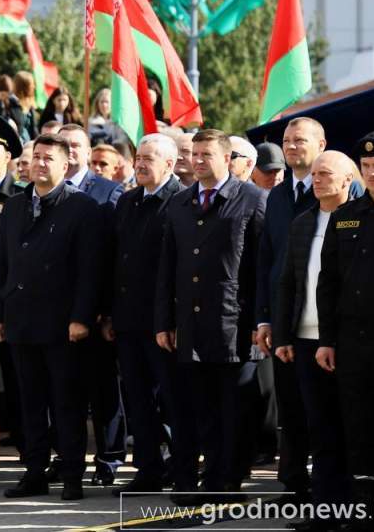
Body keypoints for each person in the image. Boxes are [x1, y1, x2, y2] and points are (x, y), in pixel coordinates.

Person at [155, 129, 267, 504]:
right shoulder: (181, 203)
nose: (198, 160)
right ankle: (200, 479)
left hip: (235, 324)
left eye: (206, 154)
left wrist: (260, 321)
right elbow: (167, 268)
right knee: (198, 408)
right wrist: (164, 322)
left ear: (226, 159)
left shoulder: (252, 199)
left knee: (233, 411)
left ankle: (226, 483)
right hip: (191, 324)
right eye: (195, 154)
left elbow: (260, 268)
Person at [0, 134, 102, 500]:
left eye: (47, 158)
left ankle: (71, 475)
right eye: (35, 157)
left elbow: (90, 269)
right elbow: (0, 264)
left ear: (65, 165)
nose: (39, 164)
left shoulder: (82, 208)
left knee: (65, 403)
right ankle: (34, 472)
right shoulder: (17, 206)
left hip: (62, 324)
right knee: (30, 403)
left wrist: (81, 316)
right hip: (21, 319)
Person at [315, 130, 374, 522]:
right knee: (360, 429)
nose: (372, 174)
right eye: (365, 167)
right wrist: (327, 341)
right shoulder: (346, 216)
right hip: (353, 343)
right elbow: (328, 283)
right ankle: (365, 510)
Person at [107, 134, 194, 494]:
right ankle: (148, 470)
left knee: (174, 402)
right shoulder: (127, 201)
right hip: (128, 321)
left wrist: (170, 321)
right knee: (138, 401)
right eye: (138, 157)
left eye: (149, 159)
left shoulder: (182, 201)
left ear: (170, 164)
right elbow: (115, 262)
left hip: (165, 324)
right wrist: (110, 315)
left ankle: (183, 468)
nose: (140, 164)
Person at [274, 151, 354, 530]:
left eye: (327, 173)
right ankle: (325, 509)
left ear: (347, 179)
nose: (317, 179)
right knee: (318, 426)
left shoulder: (358, 220)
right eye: (316, 173)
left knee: (353, 427)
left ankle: (357, 506)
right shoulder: (303, 222)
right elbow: (288, 281)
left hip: (346, 341)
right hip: (305, 340)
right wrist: (285, 334)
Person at [254, 117, 328, 502]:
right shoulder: (278, 196)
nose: (292, 147)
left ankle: (331, 483)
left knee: (324, 408)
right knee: (291, 405)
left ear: (321, 143)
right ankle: (294, 480)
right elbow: (266, 259)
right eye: (287, 141)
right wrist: (264, 317)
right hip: (285, 318)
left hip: (323, 319)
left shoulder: (332, 190)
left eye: (300, 140)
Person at [56, 123, 125, 484]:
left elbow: (113, 256)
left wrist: (107, 310)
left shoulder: (109, 192)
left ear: (86, 151)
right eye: (62, 145)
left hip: (96, 312)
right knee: (65, 392)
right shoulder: (46, 190)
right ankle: (67, 457)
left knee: (103, 392)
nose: (68, 152)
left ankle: (109, 458)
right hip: (56, 312)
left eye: (74, 146)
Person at [11, 72, 39, 141]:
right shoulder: (10, 104)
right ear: (24, 87)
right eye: (32, 85)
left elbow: (33, 129)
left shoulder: (30, 104)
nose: (34, 87)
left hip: (30, 144)